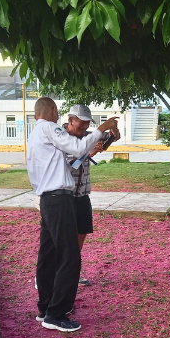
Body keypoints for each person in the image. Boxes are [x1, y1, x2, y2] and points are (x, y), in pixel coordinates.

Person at [27, 97, 118, 332]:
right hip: (59, 198)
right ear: (54, 112)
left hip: (48, 198)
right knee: (69, 257)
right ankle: (56, 314)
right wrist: (102, 127)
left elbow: (78, 149)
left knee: (47, 256)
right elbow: (77, 149)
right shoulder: (50, 127)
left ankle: (45, 308)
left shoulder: (35, 132)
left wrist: (100, 138)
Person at [63, 105, 120, 285]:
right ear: (71, 120)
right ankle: (55, 272)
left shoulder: (86, 135)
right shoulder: (60, 137)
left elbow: (106, 139)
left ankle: (73, 271)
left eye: (88, 123)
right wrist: (90, 152)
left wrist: (113, 133)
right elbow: (69, 164)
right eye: (82, 122)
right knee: (64, 237)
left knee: (81, 233)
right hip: (64, 195)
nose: (85, 127)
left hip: (82, 194)